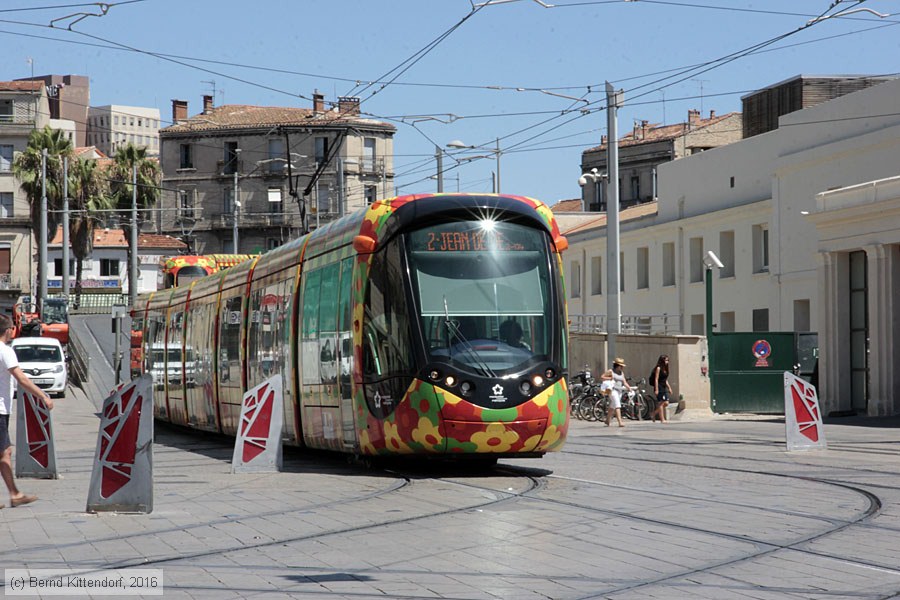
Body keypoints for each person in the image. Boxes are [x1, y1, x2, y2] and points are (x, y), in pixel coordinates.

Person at [0, 314, 53, 509]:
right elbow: (21, 379)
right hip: (0, 409)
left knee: (4, 452)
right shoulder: (5, 351)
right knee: (4, 452)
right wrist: (43, 396)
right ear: (9, 330)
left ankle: (15, 494)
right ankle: (15, 494)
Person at [601, 357, 631, 427]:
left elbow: (624, 382)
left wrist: (629, 388)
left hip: (619, 390)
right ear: (617, 366)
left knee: (613, 406)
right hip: (612, 390)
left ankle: (607, 420)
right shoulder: (611, 371)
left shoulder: (621, 373)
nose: (622, 368)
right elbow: (602, 377)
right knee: (617, 405)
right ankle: (620, 422)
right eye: (621, 366)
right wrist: (610, 378)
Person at [650, 354, 673, 423]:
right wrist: (656, 389)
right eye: (666, 360)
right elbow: (656, 379)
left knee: (666, 403)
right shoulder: (658, 368)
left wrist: (669, 388)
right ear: (662, 361)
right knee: (661, 403)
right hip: (659, 387)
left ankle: (653, 413)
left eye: (668, 360)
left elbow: (665, 380)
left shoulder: (665, 369)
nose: (667, 362)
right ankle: (662, 419)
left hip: (663, 387)